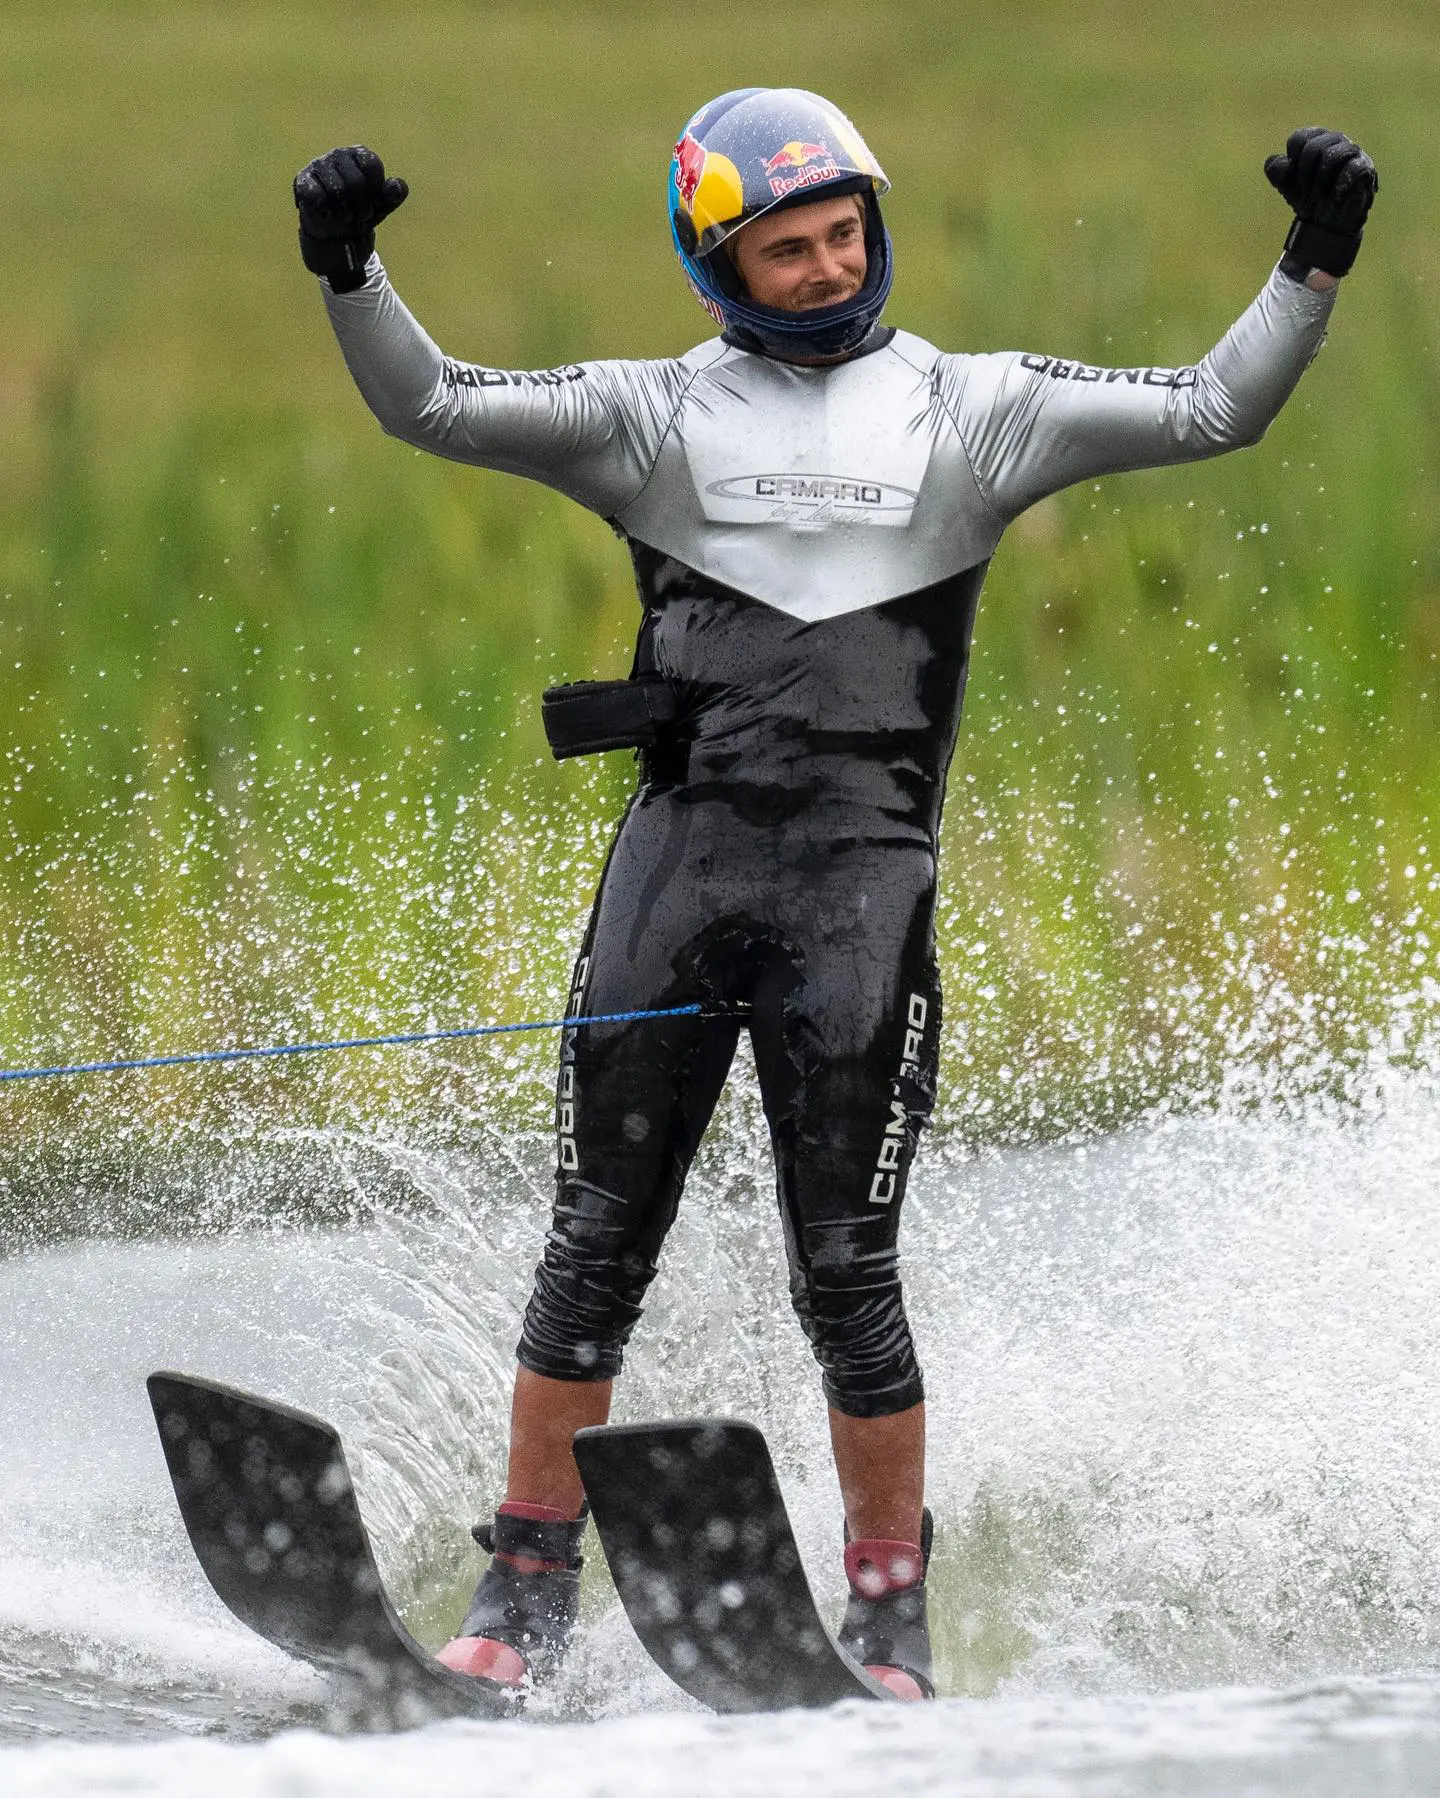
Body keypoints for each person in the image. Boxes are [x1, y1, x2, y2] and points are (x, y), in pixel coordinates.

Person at [294, 90, 1376, 1701]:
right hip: (679, 878)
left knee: (846, 1268)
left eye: (842, 234)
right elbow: (435, 405)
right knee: (595, 1238)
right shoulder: (651, 418)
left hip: (863, 905)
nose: (822, 266)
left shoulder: (978, 411)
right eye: (785, 247)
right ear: (720, 262)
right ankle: (520, 1598)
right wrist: (349, 272)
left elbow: (1217, 407)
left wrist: (1312, 259)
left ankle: (888, 1629)